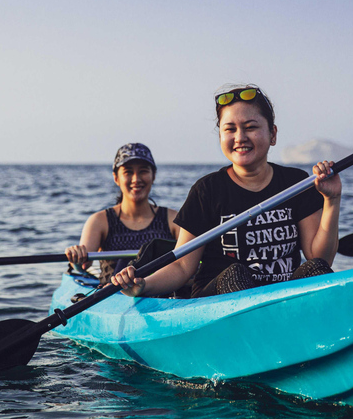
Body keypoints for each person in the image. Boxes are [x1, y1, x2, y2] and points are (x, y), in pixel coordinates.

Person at [110, 85, 341, 298]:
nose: (240, 137)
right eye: (230, 129)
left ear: (273, 134)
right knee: (235, 274)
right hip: (217, 304)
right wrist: (143, 285)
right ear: (220, 136)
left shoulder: (296, 182)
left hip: (278, 299)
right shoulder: (207, 191)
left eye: (251, 127)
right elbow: (182, 267)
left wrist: (331, 200)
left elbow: (320, 258)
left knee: (316, 268)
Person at [65, 143, 180, 285]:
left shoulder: (173, 220)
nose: (136, 179)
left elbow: (189, 264)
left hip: (162, 295)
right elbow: (83, 266)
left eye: (143, 171)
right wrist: (76, 257)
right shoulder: (100, 221)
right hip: (113, 297)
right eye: (128, 172)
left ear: (153, 176)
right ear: (116, 178)